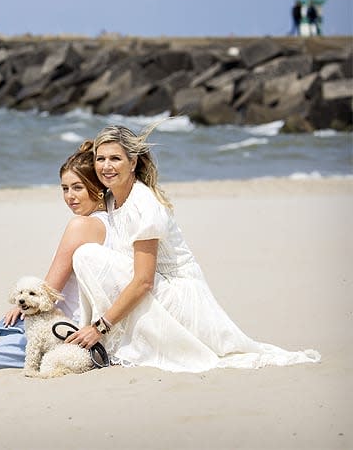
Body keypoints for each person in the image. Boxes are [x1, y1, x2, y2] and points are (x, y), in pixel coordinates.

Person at [65, 124, 321, 372]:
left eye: (115, 159)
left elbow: (144, 281)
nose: (106, 167)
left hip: (180, 297)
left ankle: (95, 334)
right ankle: (84, 331)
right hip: (157, 286)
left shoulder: (143, 205)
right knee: (87, 254)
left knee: (87, 255)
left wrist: (101, 327)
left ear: (133, 163)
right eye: (101, 159)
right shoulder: (111, 199)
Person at [0, 140, 110, 370]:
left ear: (97, 188)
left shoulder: (81, 225)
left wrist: (24, 306)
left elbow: (50, 290)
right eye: (65, 188)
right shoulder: (112, 220)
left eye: (78, 187)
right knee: (5, 323)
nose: (70, 196)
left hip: (61, 329)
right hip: (69, 320)